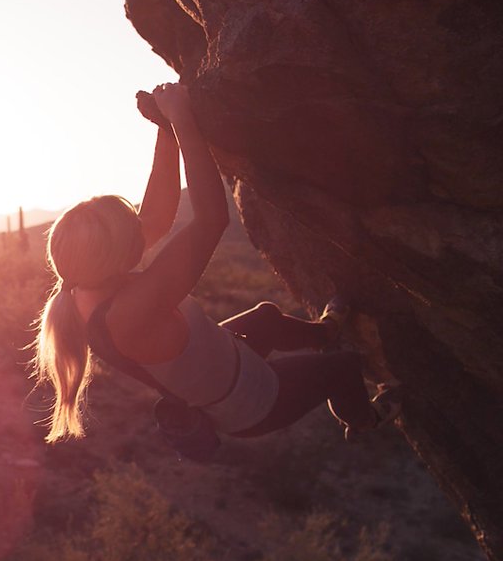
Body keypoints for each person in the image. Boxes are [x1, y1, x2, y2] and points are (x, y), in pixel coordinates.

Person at [32, 82, 400, 447]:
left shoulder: (88, 280)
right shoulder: (125, 314)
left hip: (222, 361)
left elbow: (157, 216)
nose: (142, 226)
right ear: (115, 252)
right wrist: (183, 119)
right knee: (345, 368)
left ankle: (324, 334)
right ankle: (364, 419)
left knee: (267, 318)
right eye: (133, 228)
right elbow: (210, 219)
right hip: (252, 403)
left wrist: (166, 128)